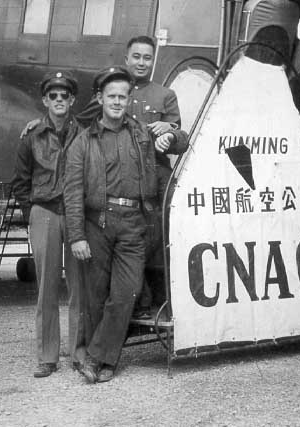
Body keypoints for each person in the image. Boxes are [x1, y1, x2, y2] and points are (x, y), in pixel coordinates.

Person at [64, 66, 188, 383]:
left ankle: (95, 357)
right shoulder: (82, 142)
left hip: (134, 224)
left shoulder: (143, 134)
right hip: (97, 225)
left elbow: (182, 143)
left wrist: (171, 134)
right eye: (112, 96)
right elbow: (73, 193)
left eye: (123, 96)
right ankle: (103, 361)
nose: (118, 101)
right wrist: (77, 236)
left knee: (126, 293)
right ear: (100, 99)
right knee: (95, 295)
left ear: (128, 99)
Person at [11, 70, 83, 378]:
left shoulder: (85, 133)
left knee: (80, 286)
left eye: (64, 96)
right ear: (45, 100)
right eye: (52, 96)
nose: (58, 100)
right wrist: (34, 212)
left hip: (77, 213)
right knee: (47, 288)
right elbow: (20, 181)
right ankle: (47, 356)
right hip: (45, 213)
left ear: (72, 100)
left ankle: (81, 352)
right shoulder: (32, 137)